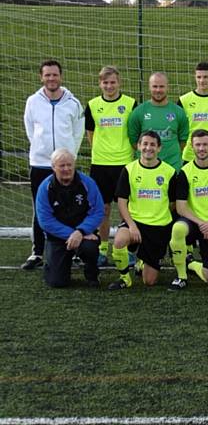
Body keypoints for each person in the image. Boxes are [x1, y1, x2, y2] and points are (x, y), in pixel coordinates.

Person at [22, 59, 85, 270]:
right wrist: (43, 153)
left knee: (71, 208)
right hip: (40, 164)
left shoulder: (73, 102)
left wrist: (68, 157)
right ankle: (37, 252)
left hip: (66, 165)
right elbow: (30, 129)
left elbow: (78, 132)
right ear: (41, 77)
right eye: (47, 75)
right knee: (40, 208)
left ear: (61, 76)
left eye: (55, 75)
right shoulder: (32, 101)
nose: (51, 78)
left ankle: (75, 251)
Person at [108, 131, 177, 290]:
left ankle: (142, 260)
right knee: (119, 241)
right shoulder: (129, 170)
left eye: (153, 144)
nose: (148, 148)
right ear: (138, 146)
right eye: (144, 144)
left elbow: (173, 204)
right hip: (135, 223)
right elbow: (122, 202)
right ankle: (125, 278)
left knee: (149, 282)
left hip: (159, 227)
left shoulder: (169, 172)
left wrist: (159, 216)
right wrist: (131, 225)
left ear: (159, 148)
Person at [168, 129, 208, 291]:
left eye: (205, 144)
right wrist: (202, 223)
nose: (201, 148)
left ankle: (191, 264)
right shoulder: (185, 172)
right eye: (198, 145)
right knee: (177, 228)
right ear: (192, 146)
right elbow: (181, 207)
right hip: (193, 221)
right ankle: (181, 276)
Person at [86, 65, 137, 267]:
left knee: (129, 209)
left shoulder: (130, 104)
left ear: (119, 83)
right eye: (105, 82)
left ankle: (130, 249)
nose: (109, 86)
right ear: (100, 84)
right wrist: (102, 152)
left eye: (112, 82)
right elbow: (90, 134)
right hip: (100, 165)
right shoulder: (92, 105)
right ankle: (101, 249)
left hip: (124, 164)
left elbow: (134, 133)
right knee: (103, 209)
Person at [35, 148, 104, 287]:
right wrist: (72, 234)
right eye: (62, 165)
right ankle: (54, 265)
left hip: (84, 233)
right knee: (57, 282)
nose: (66, 168)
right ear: (53, 167)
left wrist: (81, 232)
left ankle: (92, 274)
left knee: (90, 248)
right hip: (58, 237)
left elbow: (98, 211)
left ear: (74, 165)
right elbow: (45, 221)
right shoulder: (45, 188)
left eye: (69, 165)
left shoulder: (87, 183)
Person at [127, 72, 189, 171]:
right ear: (149, 87)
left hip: (172, 167)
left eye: (161, 87)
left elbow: (182, 141)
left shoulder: (178, 112)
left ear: (167, 87)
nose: (158, 90)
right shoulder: (138, 112)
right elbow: (134, 141)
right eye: (155, 86)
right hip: (146, 168)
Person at [178, 61, 208, 162]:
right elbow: (178, 130)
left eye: (205, 77)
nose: (202, 80)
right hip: (189, 155)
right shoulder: (184, 100)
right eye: (199, 77)